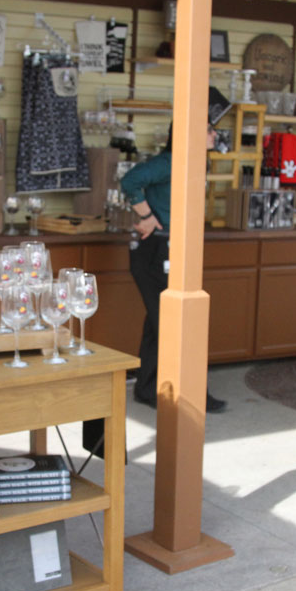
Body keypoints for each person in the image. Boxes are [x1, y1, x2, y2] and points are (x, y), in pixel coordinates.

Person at [119, 101, 226, 415]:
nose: (213, 133)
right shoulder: (171, 162)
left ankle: (148, 388)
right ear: (190, 135)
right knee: (174, 322)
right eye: (208, 129)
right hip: (156, 252)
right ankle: (191, 393)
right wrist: (148, 216)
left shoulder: (195, 163)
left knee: (160, 323)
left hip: (172, 250)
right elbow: (129, 182)